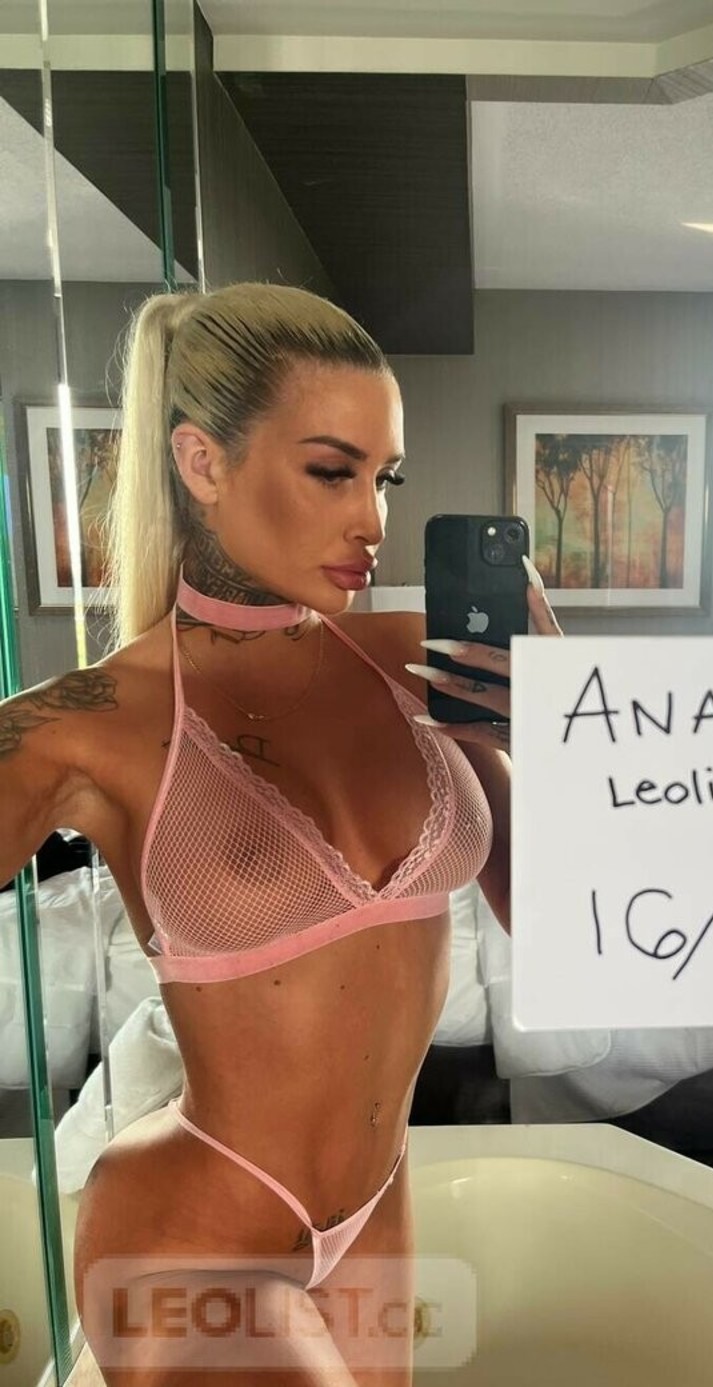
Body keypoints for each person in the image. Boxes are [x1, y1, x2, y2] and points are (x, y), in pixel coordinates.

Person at [0, 282, 561, 1384]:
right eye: (332, 471)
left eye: (386, 477)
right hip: (190, 1230)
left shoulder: (421, 663)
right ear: (202, 462)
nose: (374, 522)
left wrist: (572, 729)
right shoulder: (90, 721)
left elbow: (558, 921)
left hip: (376, 1215)